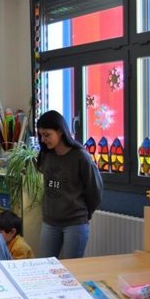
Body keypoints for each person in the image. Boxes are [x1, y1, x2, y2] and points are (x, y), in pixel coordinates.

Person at [37, 110, 103, 259]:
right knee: (44, 266)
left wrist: (84, 214)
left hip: (75, 223)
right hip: (50, 221)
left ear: (60, 131)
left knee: (71, 270)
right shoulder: (46, 154)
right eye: (41, 135)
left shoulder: (80, 156)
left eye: (47, 135)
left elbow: (95, 191)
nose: (43, 139)